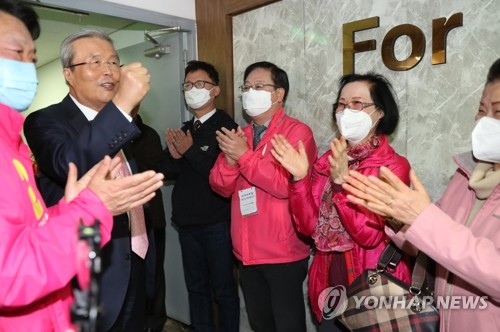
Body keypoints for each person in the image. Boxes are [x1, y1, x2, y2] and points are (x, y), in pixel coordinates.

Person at [0, 1, 164, 331]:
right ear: (68, 74)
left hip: (134, 260)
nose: (110, 70)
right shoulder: (44, 121)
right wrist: (120, 107)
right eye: (95, 62)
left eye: (114, 62)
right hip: (84, 271)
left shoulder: (128, 128)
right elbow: (68, 164)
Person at [341, 60, 500, 332]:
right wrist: (393, 215)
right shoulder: (464, 179)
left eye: (498, 111)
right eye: (481, 109)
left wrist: (422, 220)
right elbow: (429, 246)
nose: (484, 120)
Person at [270, 72, 412, 330]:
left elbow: (368, 235)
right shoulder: (327, 161)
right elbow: (308, 228)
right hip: (328, 286)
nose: (347, 111)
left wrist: (342, 182)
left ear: (380, 112)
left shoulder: (393, 167)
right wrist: (301, 178)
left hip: (373, 288)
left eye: (358, 103)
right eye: (342, 104)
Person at [209, 61, 317, 332]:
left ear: (278, 94)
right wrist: (232, 161)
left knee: (288, 325)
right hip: (246, 251)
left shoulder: (297, 132)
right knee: (260, 325)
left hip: (283, 252)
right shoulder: (240, 134)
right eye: (246, 87)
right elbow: (219, 186)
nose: (249, 92)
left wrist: (244, 156)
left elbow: (284, 185)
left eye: (258, 86)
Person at [158, 60, 240, 332]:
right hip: (187, 224)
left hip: (217, 224)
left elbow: (220, 173)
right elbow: (167, 171)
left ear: (215, 90)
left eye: (200, 84)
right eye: (188, 85)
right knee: (196, 289)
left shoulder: (226, 126)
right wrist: (175, 154)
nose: (193, 90)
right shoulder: (184, 129)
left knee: (224, 291)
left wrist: (190, 152)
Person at [130, 111, 168, 332]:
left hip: (151, 217)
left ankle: (155, 323)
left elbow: (155, 172)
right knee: (131, 277)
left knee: (154, 275)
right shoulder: (106, 133)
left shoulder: (148, 135)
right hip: (123, 222)